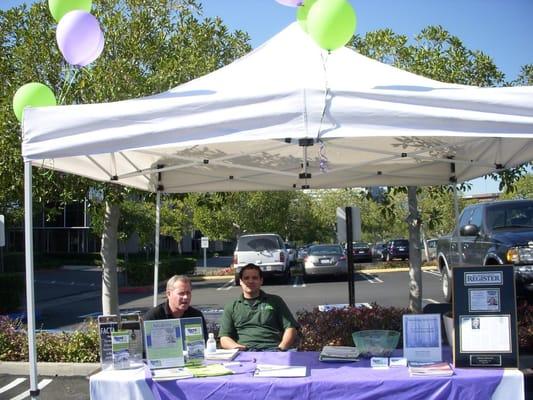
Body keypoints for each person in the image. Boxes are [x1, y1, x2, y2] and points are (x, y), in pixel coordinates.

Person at [219, 264, 299, 351]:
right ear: (241, 282)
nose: (250, 281)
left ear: (261, 281)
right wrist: (238, 348)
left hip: (272, 350)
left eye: (255, 278)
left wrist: (281, 349)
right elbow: (224, 338)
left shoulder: (275, 301)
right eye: (246, 278)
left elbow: (290, 328)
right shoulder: (231, 306)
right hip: (244, 352)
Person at [144, 275, 208, 341]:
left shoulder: (196, 316)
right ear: (168, 294)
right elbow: (146, 347)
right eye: (181, 293)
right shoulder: (153, 317)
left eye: (188, 293)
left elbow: (204, 343)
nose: (186, 297)